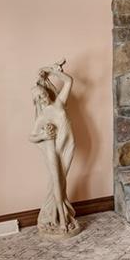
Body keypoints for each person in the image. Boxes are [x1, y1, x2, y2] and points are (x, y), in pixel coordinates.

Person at [29, 60, 79, 236]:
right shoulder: (42, 117)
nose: (44, 98)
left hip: (69, 147)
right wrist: (43, 136)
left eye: (43, 94)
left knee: (61, 181)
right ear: (37, 102)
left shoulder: (59, 103)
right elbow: (31, 136)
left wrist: (51, 70)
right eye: (39, 98)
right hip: (56, 152)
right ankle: (61, 218)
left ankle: (57, 213)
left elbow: (69, 81)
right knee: (57, 182)